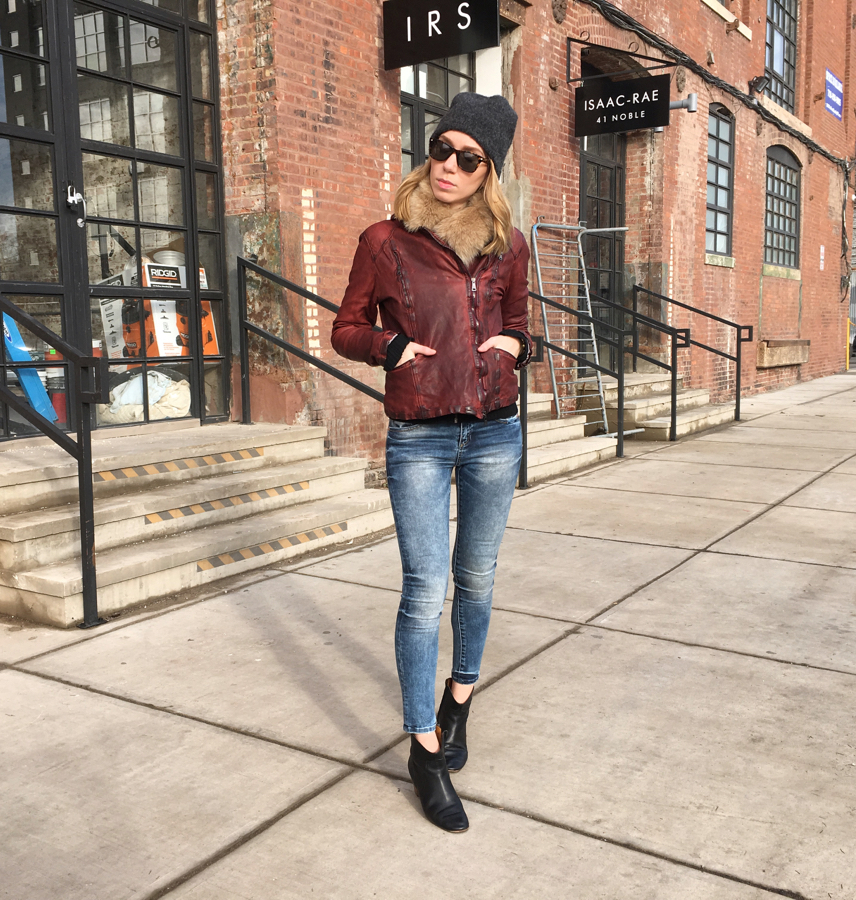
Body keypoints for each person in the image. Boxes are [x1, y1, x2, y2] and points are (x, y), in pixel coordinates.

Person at [331, 92, 532, 832]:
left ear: (489, 171)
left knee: (476, 578)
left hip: (492, 431)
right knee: (424, 591)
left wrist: (518, 343)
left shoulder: (509, 244)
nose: (447, 165)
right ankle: (422, 746)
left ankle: (460, 700)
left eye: (467, 157)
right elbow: (345, 327)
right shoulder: (385, 239)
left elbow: (517, 317)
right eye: (441, 150)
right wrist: (387, 346)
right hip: (418, 432)